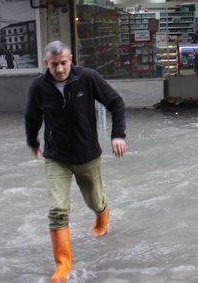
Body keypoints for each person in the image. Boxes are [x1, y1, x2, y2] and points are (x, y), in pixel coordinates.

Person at [25, 40, 127, 283]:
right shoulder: (38, 86)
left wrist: (118, 135)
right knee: (58, 209)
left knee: (94, 200)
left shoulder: (88, 78)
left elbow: (116, 103)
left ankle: (102, 213)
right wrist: (33, 142)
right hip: (56, 157)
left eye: (63, 63)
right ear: (45, 63)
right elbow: (31, 117)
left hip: (87, 156)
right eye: (54, 64)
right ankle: (62, 266)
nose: (59, 69)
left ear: (71, 60)